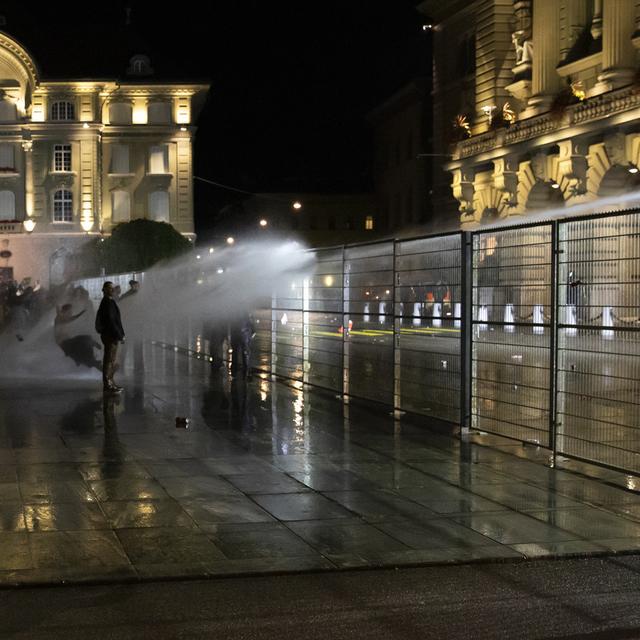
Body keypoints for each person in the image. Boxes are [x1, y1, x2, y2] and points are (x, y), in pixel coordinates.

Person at [95, 281, 125, 393]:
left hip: (111, 335)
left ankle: (110, 382)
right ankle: (108, 384)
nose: (112, 290)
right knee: (109, 360)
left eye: (113, 288)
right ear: (104, 290)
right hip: (110, 335)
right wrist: (119, 335)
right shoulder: (107, 302)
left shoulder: (109, 301)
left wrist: (121, 334)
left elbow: (116, 320)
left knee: (111, 360)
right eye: (110, 288)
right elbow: (112, 321)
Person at [54, 304, 102, 370]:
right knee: (85, 340)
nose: (71, 313)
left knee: (85, 344)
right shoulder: (59, 318)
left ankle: (94, 362)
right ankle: (92, 357)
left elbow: (69, 319)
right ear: (65, 311)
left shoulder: (62, 318)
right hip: (64, 344)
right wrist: (80, 314)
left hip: (68, 343)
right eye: (70, 311)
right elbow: (68, 319)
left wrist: (80, 313)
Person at [230, 311, 255, 378]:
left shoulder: (233, 311)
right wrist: (252, 332)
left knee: (235, 352)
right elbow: (251, 321)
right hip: (245, 334)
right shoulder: (247, 311)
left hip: (235, 333)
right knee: (246, 353)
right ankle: (246, 372)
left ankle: (234, 372)